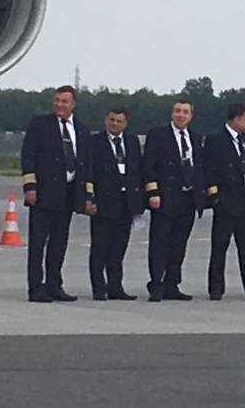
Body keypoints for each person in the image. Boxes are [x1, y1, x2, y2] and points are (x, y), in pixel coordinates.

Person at [20, 85, 93, 303]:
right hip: (43, 193)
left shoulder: (81, 129)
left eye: (64, 101)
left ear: (73, 104)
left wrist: (87, 195)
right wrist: (30, 187)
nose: (59, 105)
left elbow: (86, 164)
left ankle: (54, 284)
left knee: (59, 242)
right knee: (38, 242)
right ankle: (36, 287)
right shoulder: (40, 125)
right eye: (57, 100)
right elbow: (28, 157)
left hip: (68, 194)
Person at [142, 98, 205, 302]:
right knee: (160, 243)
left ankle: (172, 283)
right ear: (172, 113)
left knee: (179, 244)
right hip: (165, 198)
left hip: (187, 198)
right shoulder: (158, 135)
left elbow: (199, 168)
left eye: (185, 112)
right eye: (178, 111)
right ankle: (156, 284)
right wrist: (153, 192)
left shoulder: (195, 138)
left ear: (191, 116)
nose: (181, 115)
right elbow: (148, 166)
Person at [204, 103, 245, 301]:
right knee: (220, 245)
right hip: (226, 200)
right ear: (237, 119)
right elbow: (210, 169)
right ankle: (216, 288)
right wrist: (216, 197)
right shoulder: (216, 140)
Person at [88, 107, 144, 301]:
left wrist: (139, 202)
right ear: (106, 120)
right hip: (103, 203)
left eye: (119, 121)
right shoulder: (95, 142)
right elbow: (88, 172)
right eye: (112, 120)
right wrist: (90, 198)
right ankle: (98, 288)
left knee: (118, 248)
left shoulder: (132, 142)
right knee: (99, 248)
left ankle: (115, 287)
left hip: (125, 203)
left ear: (125, 124)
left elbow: (138, 172)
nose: (115, 124)